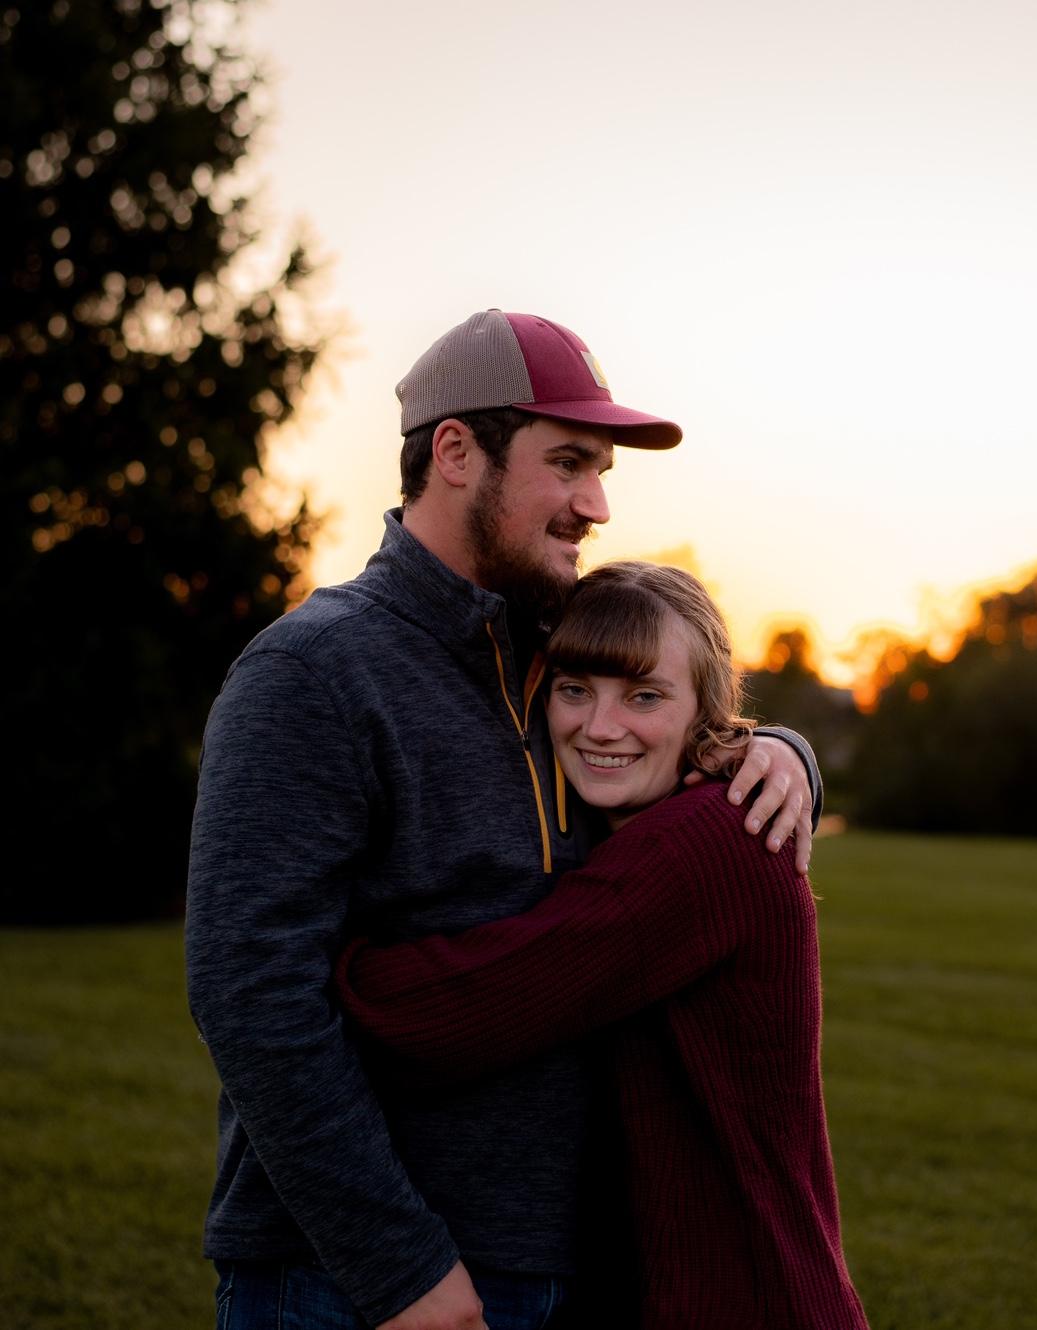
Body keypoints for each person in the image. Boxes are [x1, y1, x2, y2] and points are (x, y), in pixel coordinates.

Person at [185, 310, 821, 1330]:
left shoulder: (562, 658)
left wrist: (783, 751)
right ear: (455, 453)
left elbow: (669, 720)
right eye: (568, 463)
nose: (596, 504)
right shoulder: (314, 671)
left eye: (601, 470)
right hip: (357, 1282)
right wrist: (399, 1268)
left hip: (565, 1270)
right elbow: (249, 991)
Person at [336, 562, 870, 1330]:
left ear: (706, 708)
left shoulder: (702, 842)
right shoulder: (625, 824)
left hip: (746, 1299)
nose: (600, 726)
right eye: (574, 688)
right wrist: (790, 748)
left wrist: (331, 963)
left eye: (644, 696)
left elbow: (474, 1005)